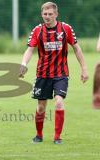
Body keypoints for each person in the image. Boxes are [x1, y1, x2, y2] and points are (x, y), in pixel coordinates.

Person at [19, 2, 88, 144]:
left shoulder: (66, 28)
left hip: (61, 74)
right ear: (41, 14)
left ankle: (57, 137)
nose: (47, 16)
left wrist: (84, 68)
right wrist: (23, 64)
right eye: (45, 14)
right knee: (41, 107)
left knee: (59, 102)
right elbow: (30, 49)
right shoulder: (37, 30)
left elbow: (77, 48)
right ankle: (39, 135)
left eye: (50, 14)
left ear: (56, 14)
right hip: (42, 74)